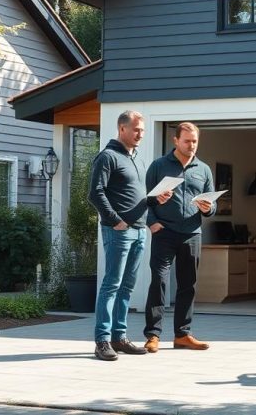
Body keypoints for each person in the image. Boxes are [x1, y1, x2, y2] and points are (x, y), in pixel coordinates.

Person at [88, 110, 157, 361]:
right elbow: (95, 193)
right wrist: (115, 220)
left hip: (139, 230)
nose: (140, 134)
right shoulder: (107, 157)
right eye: (137, 129)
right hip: (119, 231)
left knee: (127, 286)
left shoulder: (136, 158)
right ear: (122, 129)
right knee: (112, 285)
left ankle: (120, 337)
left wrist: (154, 199)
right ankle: (102, 341)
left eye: (143, 130)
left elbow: (135, 196)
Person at [143, 122, 216, 352]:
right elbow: (144, 200)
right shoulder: (158, 166)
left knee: (188, 284)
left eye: (195, 141)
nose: (192, 145)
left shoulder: (203, 169)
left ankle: (183, 335)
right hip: (164, 232)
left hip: (192, 233)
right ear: (175, 141)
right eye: (187, 141)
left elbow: (213, 206)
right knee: (159, 281)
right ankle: (153, 335)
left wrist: (208, 208)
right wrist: (152, 223)